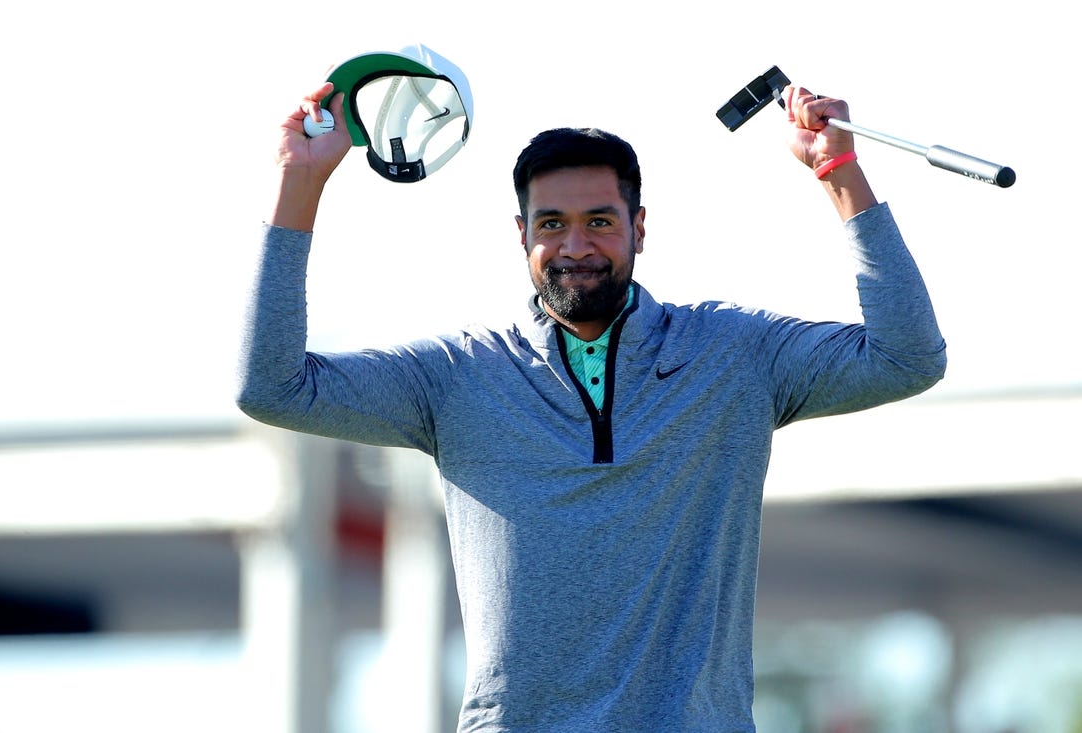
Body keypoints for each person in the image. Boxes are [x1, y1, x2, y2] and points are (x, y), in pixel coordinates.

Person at [237, 79, 947, 732]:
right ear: (522, 236)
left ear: (641, 227)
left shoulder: (735, 354)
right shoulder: (456, 377)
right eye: (551, 224)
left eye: (600, 222)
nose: (575, 246)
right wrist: (298, 185)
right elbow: (272, 387)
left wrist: (839, 173)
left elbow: (907, 356)